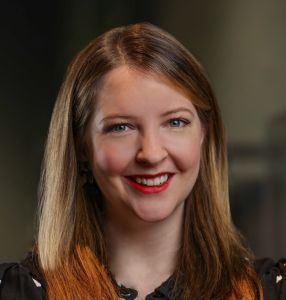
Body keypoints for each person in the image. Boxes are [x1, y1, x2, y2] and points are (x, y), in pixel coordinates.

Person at [0, 22, 285, 300]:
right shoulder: (16, 292)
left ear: (204, 135)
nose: (151, 153)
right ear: (81, 146)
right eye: (121, 127)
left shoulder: (270, 291)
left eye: (175, 122)